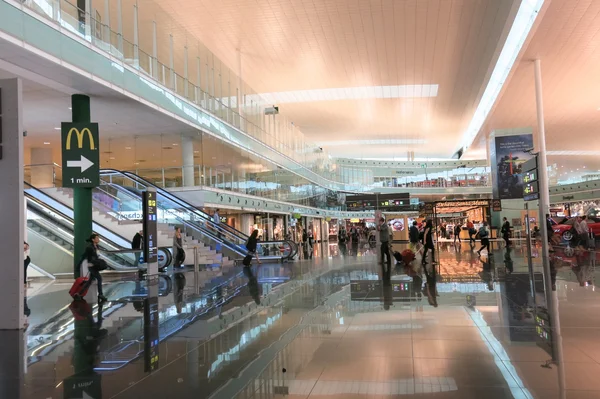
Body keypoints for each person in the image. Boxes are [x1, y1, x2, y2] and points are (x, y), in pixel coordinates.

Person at [82, 234, 107, 303]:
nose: (98, 239)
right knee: (99, 278)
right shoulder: (90, 247)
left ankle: (79, 294)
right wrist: (92, 263)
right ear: (93, 239)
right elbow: (88, 257)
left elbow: (97, 256)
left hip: (95, 265)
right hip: (92, 266)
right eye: (97, 238)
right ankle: (100, 294)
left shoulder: (97, 246)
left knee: (90, 281)